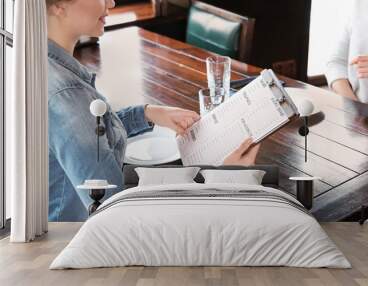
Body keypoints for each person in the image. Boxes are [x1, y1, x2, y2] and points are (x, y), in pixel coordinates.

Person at [46, 0, 260, 221]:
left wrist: (149, 113)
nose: (111, 2)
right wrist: (223, 178)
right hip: (79, 241)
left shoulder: (47, 66)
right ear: (59, 5)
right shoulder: (67, 95)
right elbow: (117, 211)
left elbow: (90, 132)